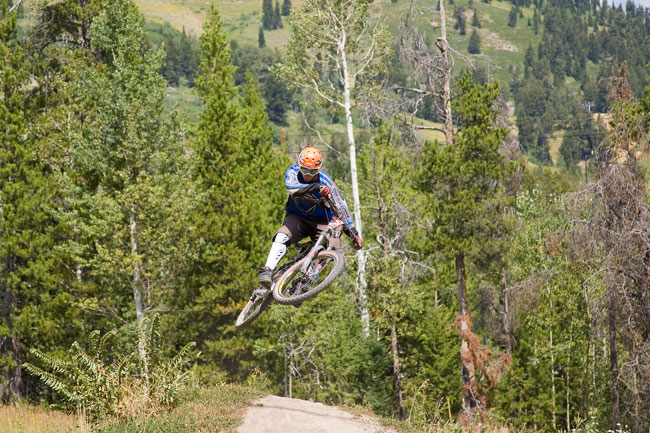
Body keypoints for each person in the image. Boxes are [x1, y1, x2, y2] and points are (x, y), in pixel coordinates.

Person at [259, 146, 363, 287]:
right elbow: (293, 190)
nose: (308, 174)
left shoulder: (326, 181)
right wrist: (316, 187)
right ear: (299, 165)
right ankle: (267, 270)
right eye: (305, 169)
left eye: (312, 171)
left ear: (318, 169)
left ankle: (303, 284)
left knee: (332, 247)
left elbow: (341, 207)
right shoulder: (293, 172)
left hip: (322, 221)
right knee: (281, 236)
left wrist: (353, 232)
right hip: (297, 218)